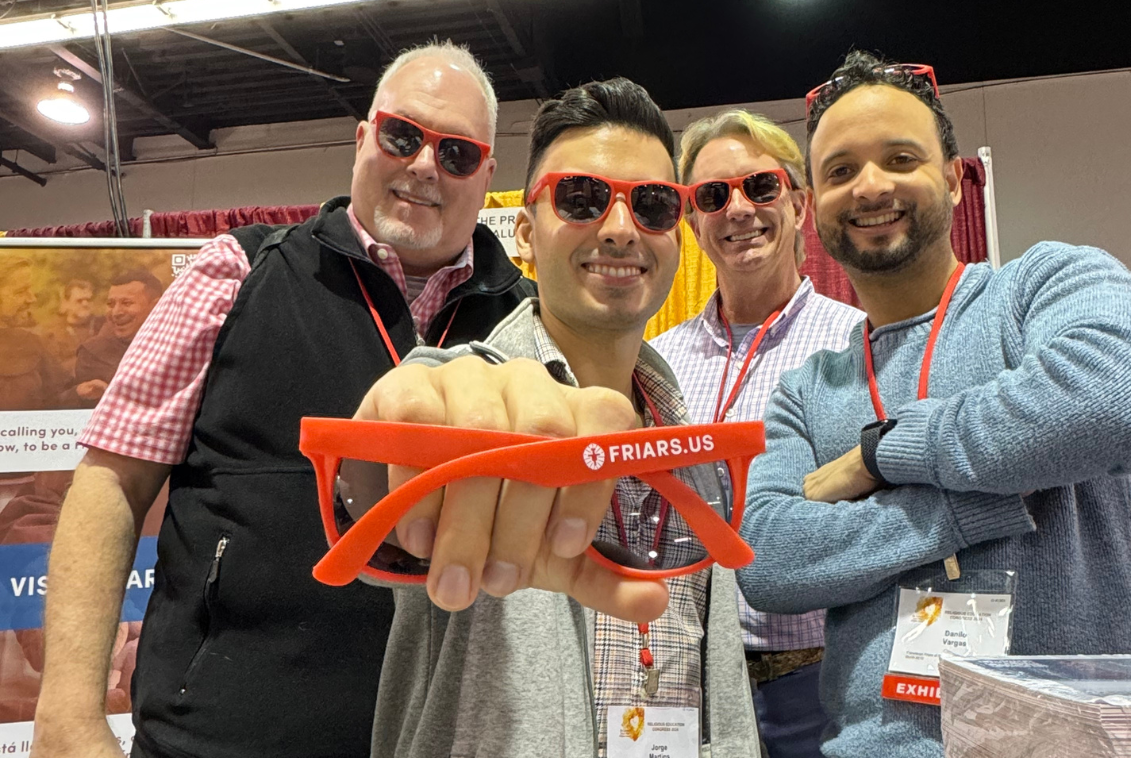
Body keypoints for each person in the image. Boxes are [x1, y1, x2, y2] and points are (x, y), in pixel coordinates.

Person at [32, 41, 534, 758]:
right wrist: (69, 715)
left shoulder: (528, 324)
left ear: (486, 175)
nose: (425, 165)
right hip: (219, 738)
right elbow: (112, 480)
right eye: (403, 135)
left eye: (456, 153)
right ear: (363, 139)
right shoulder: (236, 274)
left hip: (453, 739)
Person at [736, 50, 1131, 758]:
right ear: (811, 207)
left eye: (900, 158)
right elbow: (768, 560)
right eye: (841, 171)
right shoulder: (806, 389)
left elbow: (1128, 397)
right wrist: (973, 505)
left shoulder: (1045, 286)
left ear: (952, 179)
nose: (870, 186)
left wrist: (881, 457)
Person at [353, 78, 759, 757]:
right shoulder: (469, 391)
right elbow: (378, 476)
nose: (622, 229)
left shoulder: (681, 426)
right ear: (525, 234)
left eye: (654, 205)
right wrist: (388, 446)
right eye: (582, 198)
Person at [651, 110, 862, 757]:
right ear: (693, 222)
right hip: (685, 673)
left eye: (760, 188)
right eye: (713, 196)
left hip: (818, 675)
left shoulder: (860, 342)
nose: (738, 209)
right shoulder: (657, 361)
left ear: (798, 204)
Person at [71, 269, 163, 407]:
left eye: (126, 303)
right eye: (111, 304)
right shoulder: (92, 354)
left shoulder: (184, 346)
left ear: (156, 307)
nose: (116, 312)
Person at [0, 257, 67, 413]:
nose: (32, 299)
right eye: (21, 291)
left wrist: (79, 392)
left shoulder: (31, 343)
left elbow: (57, 399)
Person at [38, 279, 99, 376]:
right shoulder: (51, 332)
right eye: (79, 300)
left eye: (88, 300)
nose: (85, 304)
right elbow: (52, 369)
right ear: (66, 303)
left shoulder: (102, 325)